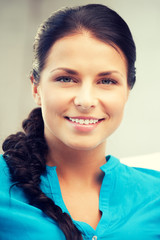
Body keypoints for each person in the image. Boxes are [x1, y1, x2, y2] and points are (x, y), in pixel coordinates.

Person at [0, 3, 160, 240]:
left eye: (106, 81)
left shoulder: (155, 197)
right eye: (66, 78)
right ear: (36, 87)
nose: (86, 101)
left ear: (128, 89)